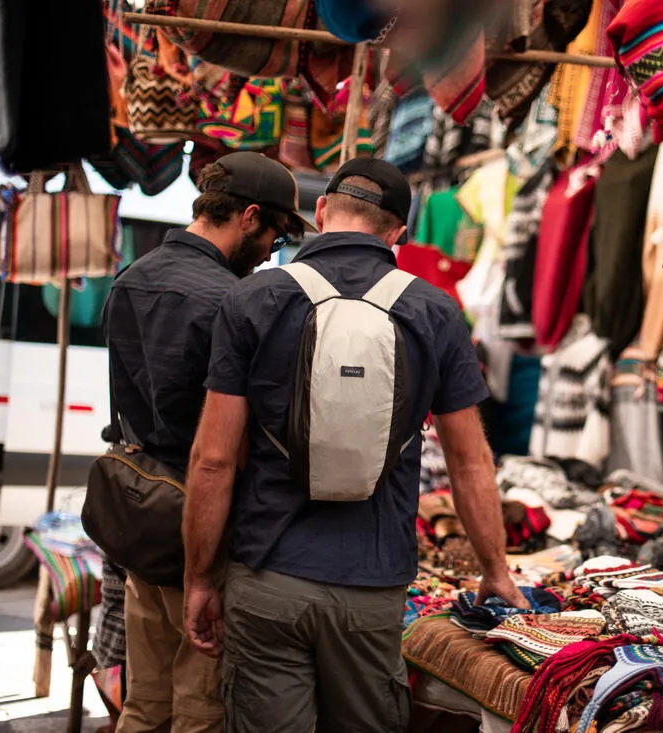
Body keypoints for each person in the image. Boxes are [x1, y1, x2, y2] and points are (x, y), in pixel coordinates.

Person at [181, 157, 529, 732]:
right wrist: (495, 570)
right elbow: (470, 463)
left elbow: (213, 461)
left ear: (321, 212)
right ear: (399, 233)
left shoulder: (252, 300)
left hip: (268, 576)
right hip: (372, 585)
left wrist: (199, 578)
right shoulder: (436, 311)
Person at [104, 151, 309, 733]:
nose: (272, 251)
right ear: (249, 216)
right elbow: (230, 444)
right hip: (204, 520)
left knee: (145, 701)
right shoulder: (233, 301)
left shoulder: (130, 277)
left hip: (141, 510)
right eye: (275, 234)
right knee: (200, 703)